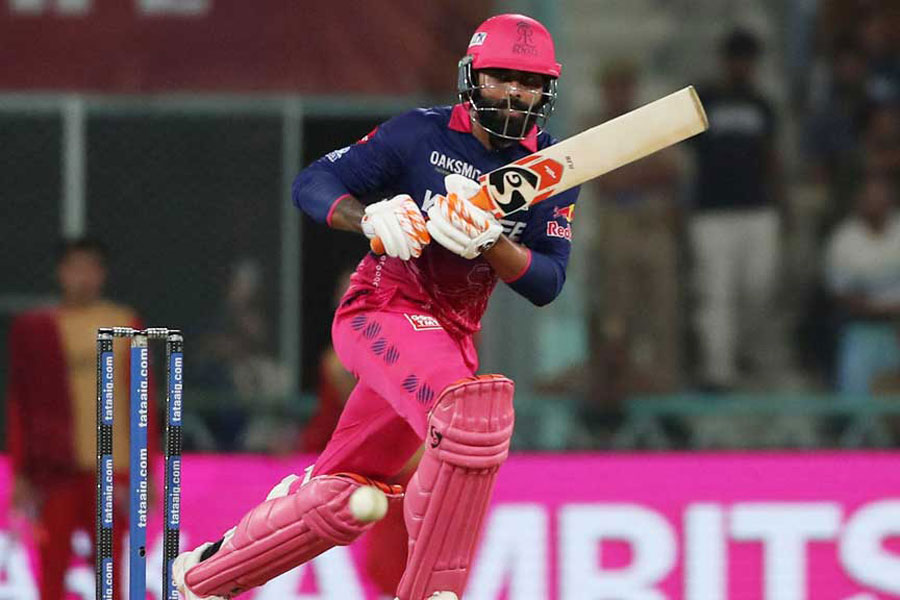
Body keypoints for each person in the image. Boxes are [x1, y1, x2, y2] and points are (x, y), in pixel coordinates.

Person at [174, 13, 579, 600]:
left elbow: (547, 282)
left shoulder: (552, 168)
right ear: (472, 78)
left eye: (529, 82)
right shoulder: (419, 134)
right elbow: (313, 182)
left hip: (450, 338)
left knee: (341, 495)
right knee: (471, 418)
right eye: (500, 78)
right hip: (382, 310)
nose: (514, 93)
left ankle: (201, 577)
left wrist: (492, 242)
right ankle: (436, 590)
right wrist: (367, 217)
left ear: (547, 90)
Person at [5, 237, 146, 600]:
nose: (82, 277)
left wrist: (144, 469)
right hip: (56, 468)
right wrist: (21, 471)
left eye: (90, 268)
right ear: (61, 273)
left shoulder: (124, 323)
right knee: (52, 568)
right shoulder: (37, 329)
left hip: (112, 467)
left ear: (102, 274)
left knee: (109, 570)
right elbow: (22, 403)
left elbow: (141, 399)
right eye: (74, 268)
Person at [689, 28, 785, 390]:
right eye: (737, 59)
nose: (742, 67)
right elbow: (685, 156)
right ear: (725, 61)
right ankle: (719, 370)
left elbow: (771, 156)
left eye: (748, 60)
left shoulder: (763, 105)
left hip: (758, 209)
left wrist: (782, 203)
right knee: (716, 291)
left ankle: (745, 351)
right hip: (711, 211)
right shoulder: (705, 100)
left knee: (759, 287)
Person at [824, 175, 900, 394]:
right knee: (858, 394)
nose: (876, 204)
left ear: (891, 200)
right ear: (859, 201)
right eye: (870, 198)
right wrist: (886, 311)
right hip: (861, 327)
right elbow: (842, 296)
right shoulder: (844, 239)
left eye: (881, 198)